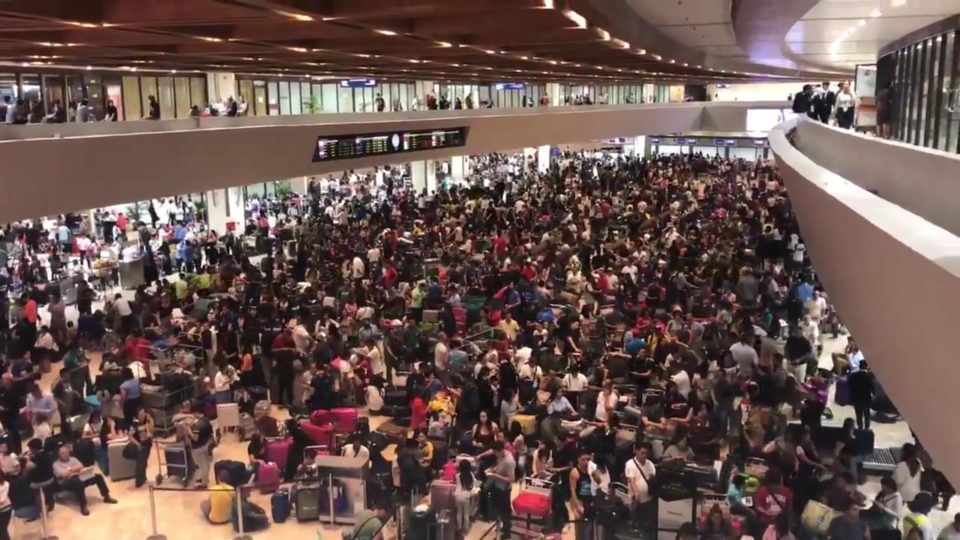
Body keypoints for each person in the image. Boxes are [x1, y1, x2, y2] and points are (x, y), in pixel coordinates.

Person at [52, 444, 117, 515]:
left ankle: (106, 496)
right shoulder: (56, 464)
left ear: (68, 453)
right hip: (66, 482)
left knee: (98, 477)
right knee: (78, 482)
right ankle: (83, 506)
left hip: (79, 477)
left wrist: (69, 469)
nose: (62, 455)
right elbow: (63, 475)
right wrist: (75, 469)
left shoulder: (73, 459)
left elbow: (81, 466)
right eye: (61, 453)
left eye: (64, 453)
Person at [625, 442, 657, 534]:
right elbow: (631, 480)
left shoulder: (650, 464)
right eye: (643, 453)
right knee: (635, 523)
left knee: (646, 524)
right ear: (637, 451)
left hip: (648, 499)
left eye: (647, 453)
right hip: (635, 499)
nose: (645, 455)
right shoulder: (630, 464)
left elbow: (652, 480)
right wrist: (636, 493)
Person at [570, 448, 597, 540]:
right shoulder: (575, 472)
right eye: (583, 459)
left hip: (591, 502)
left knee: (589, 531)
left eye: (588, 459)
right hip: (580, 501)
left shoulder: (593, 470)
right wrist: (577, 505)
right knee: (580, 531)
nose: (586, 462)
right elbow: (573, 490)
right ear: (578, 460)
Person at [454, 458, 476, 534]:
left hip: (457, 496)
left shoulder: (457, 475)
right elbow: (473, 484)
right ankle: (466, 528)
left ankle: (459, 527)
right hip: (466, 496)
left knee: (459, 513)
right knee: (466, 513)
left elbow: (456, 484)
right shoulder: (471, 475)